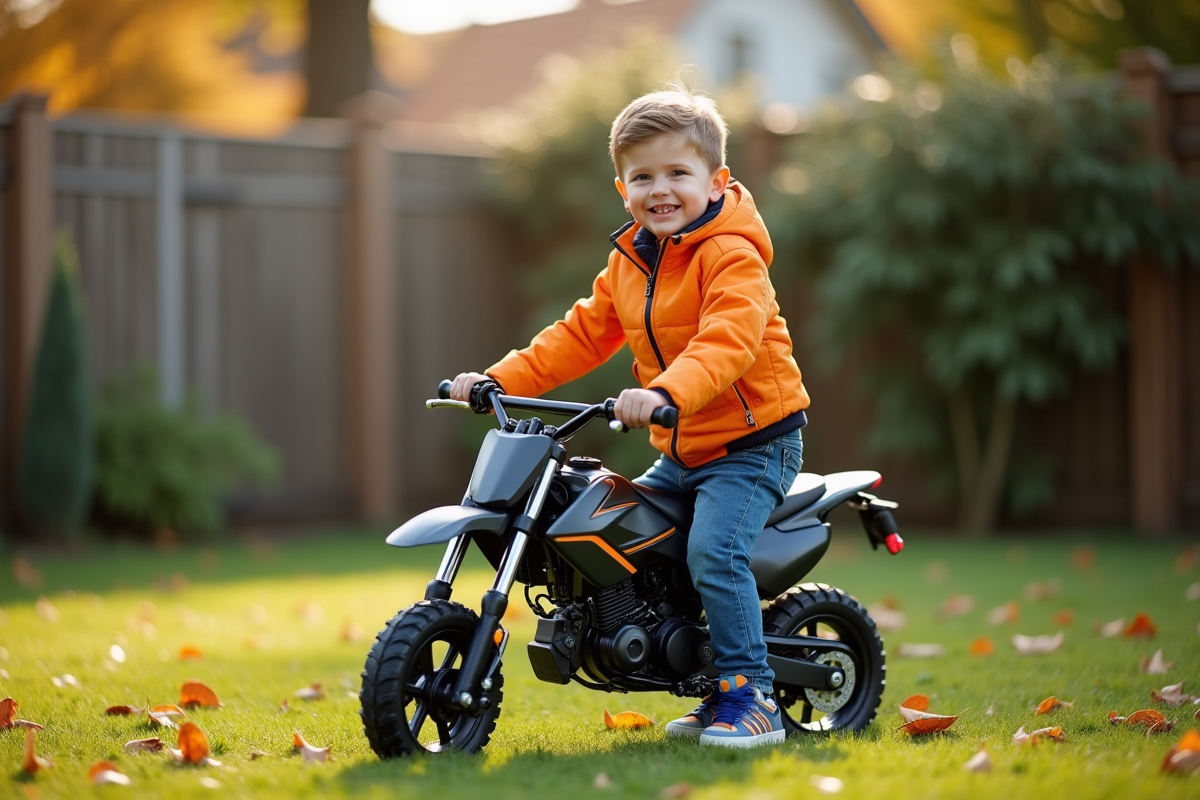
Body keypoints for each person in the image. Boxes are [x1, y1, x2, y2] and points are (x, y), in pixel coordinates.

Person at [449, 86, 810, 748]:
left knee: (713, 551)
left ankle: (751, 694)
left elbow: (727, 340)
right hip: (684, 450)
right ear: (622, 188)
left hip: (753, 447)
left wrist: (668, 391)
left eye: (678, 172)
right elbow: (578, 336)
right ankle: (689, 668)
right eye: (643, 176)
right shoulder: (631, 261)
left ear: (717, 180)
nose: (660, 189)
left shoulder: (732, 255)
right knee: (629, 538)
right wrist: (498, 378)